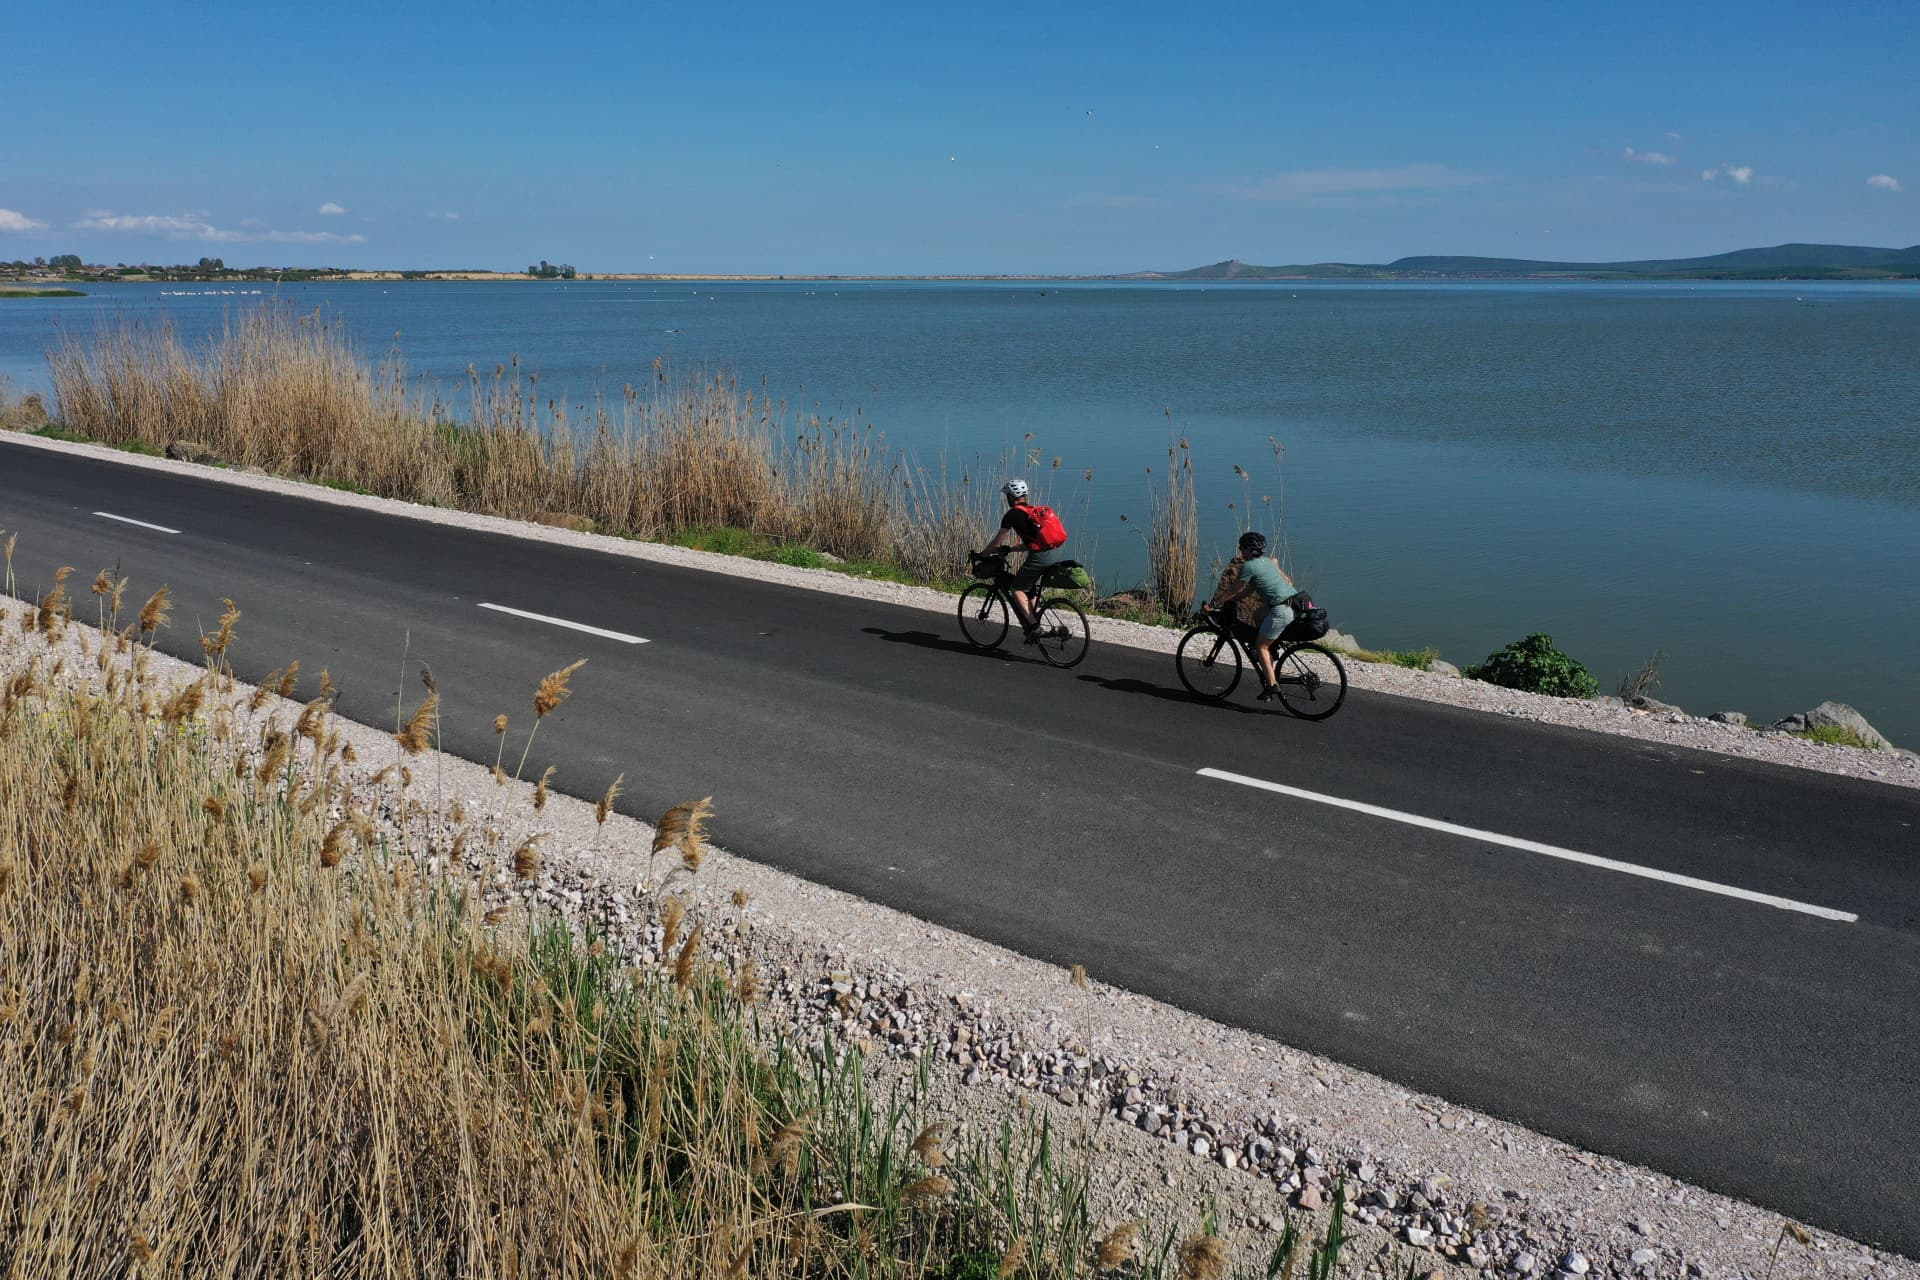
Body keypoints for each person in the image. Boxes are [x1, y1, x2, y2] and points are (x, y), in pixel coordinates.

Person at [1207, 531, 1298, 700]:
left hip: (1280, 611)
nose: (1240, 551)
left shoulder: (1249, 566)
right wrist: (1230, 600)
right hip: (1292, 605)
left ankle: (1272, 686)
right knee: (1258, 615)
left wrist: (1214, 605)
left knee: (1260, 646)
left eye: (1242, 548)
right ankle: (1271, 651)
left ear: (1249, 550)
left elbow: (1235, 588)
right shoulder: (1266, 563)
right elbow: (1246, 591)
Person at [976, 478, 1068, 643]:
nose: (1007, 499)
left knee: (1017, 588)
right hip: (1052, 553)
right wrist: (1010, 549)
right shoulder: (1031, 512)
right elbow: (1032, 544)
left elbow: (997, 540)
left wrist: (983, 554)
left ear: (1012, 497)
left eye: (1007, 496)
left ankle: (1034, 628)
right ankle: (1033, 619)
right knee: (1029, 589)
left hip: (1039, 558)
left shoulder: (1012, 515)